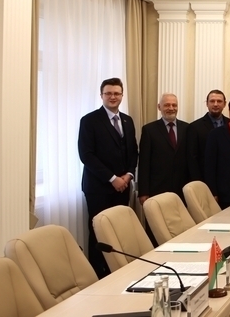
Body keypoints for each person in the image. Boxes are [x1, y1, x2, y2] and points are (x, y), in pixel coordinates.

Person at [78, 77, 138, 278]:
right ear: (101, 95)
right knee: (99, 231)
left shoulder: (128, 120)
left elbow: (133, 152)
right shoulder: (89, 120)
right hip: (99, 188)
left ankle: (117, 270)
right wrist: (113, 178)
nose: (113, 97)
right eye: (109, 93)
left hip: (123, 186)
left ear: (122, 95)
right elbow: (86, 155)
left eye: (116, 93)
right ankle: (98, 274)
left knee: (119, 229)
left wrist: (128, 175)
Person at [138, 93, 190, 205]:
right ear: (159, 107)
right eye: (167, 105)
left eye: (174, 105)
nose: (171, 108)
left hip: (182, 189)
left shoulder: (187, 128)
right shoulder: (149, 130)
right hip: (157, 189)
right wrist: (143, 192)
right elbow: (144, 163)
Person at [187, 90, 229, 182]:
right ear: (207, 103)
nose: (215, 104)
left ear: (225, 104)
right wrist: (197, 181)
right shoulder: (195, 127)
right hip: (204, 179)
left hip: (228, 179)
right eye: (212, 101)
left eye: (219, 101)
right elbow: (192, 158)